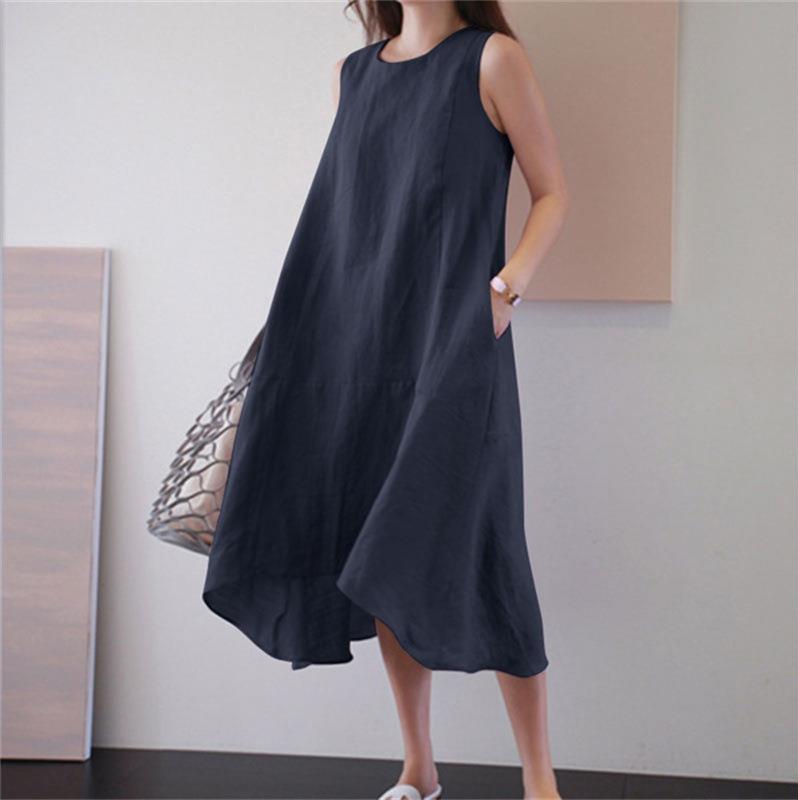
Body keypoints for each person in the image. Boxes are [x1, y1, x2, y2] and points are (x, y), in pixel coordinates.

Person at [202, 2, 568, 799]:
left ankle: (541, 784)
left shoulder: (492, 60)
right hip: (352, 344)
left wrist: (505, 291)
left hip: (451, 342)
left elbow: (552, 193)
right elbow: (344, 219)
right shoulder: (351, 75)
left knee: (490, 549)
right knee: (383, 554)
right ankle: (418, 770)